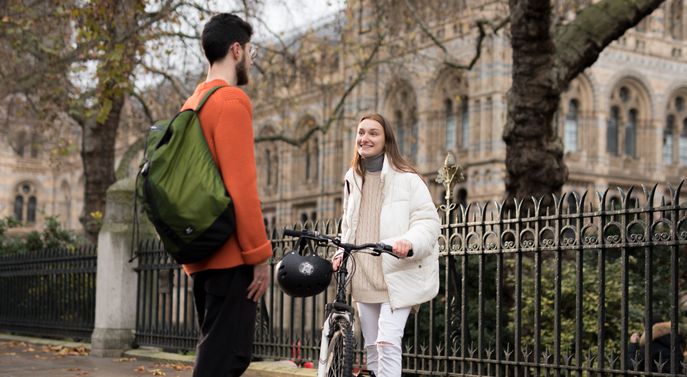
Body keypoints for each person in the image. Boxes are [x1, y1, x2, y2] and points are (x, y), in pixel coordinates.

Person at [180, 13, 272, 377]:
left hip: (202, 254)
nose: (251, 59)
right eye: (250, 51)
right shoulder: (231, 101)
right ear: (236, 50)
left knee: (216, 352)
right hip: (230, 256)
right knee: (225, 359)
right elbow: (242, 188)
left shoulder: (193, 103)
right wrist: (261, 257)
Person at [332, 113, 441, 377]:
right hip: (365, 275)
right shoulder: (352, 177)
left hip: (397, 273)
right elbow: (350, 224)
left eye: (373, 133)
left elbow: (428, 222)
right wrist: (341, 251)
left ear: (386, 139)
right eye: (361, 132)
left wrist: (409, 242)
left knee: (387, 342)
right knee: (372, 346)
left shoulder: (408, 179)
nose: (365, 138)